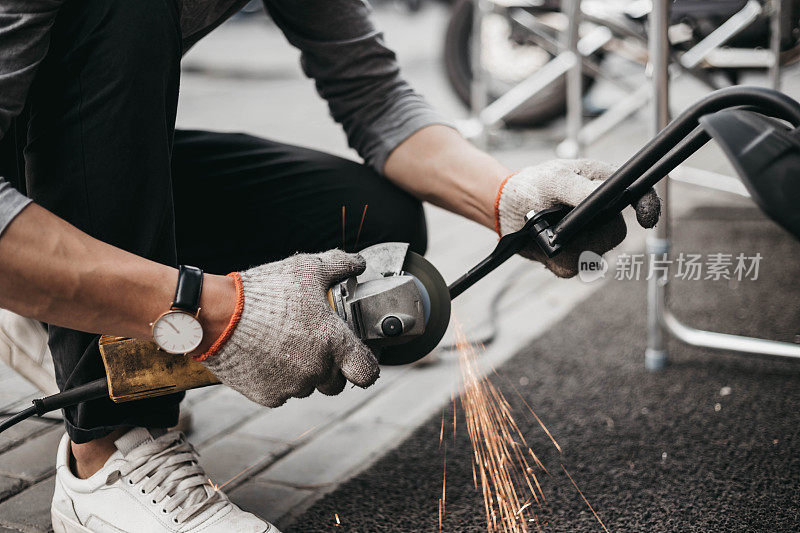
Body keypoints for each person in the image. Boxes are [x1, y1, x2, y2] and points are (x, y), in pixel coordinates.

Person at [0, 1, 659, 531]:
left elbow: (374, 97)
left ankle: (73, 308)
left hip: (91, 155)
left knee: (373, 228)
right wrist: (226, 311)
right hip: (23, 179)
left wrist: (507, 196)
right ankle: (106, 459)